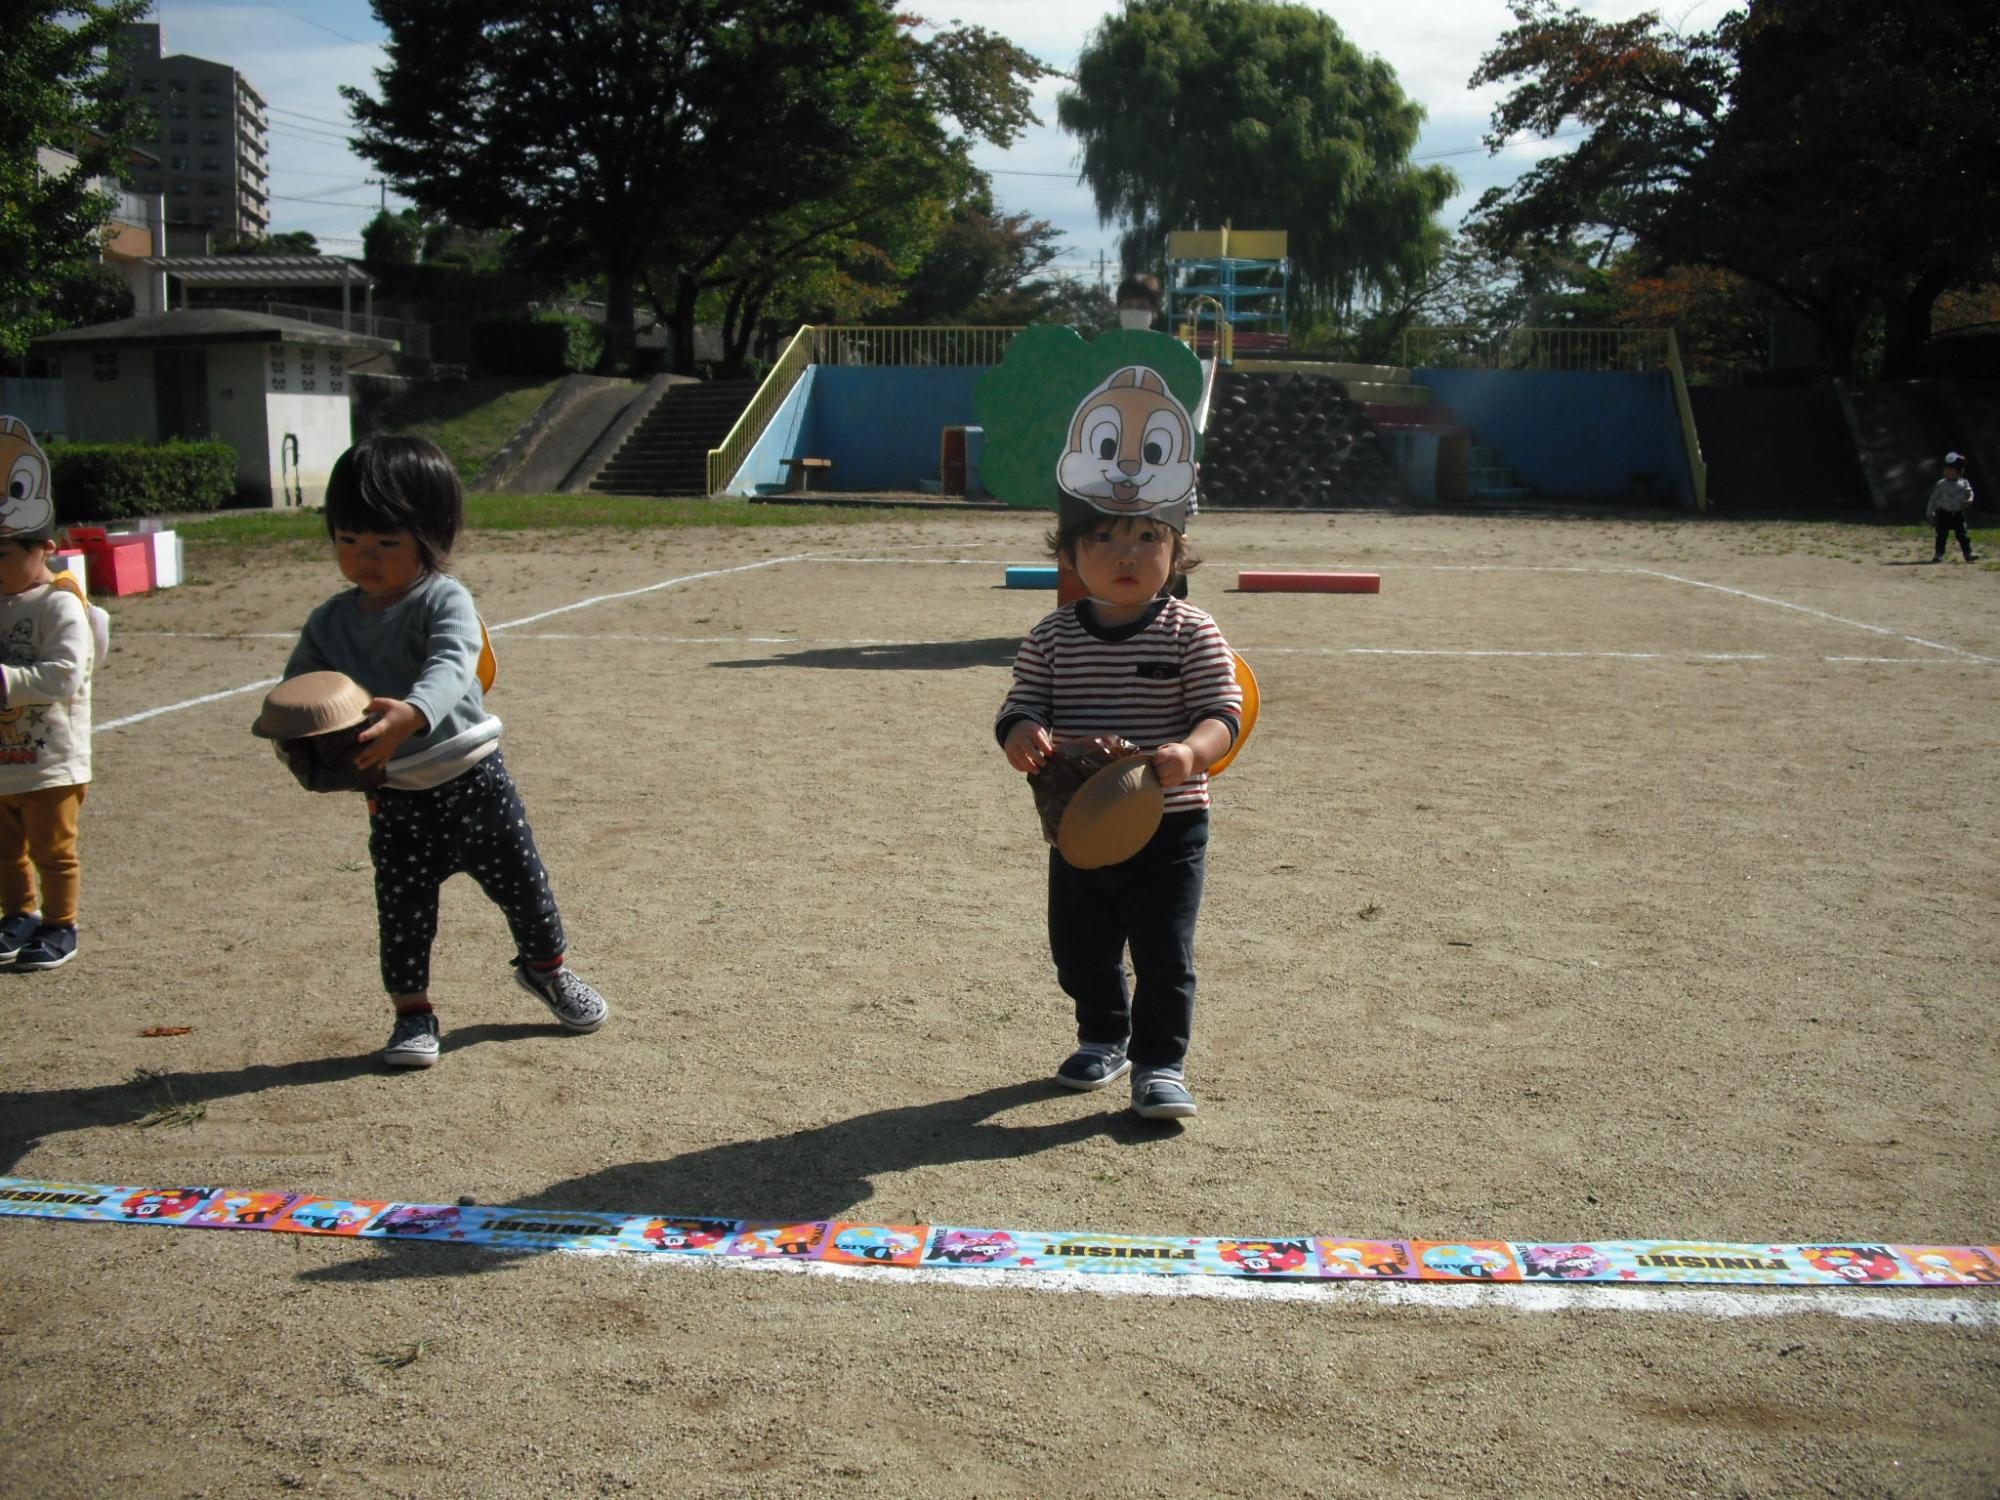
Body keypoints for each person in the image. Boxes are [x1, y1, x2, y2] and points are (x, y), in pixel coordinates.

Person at [282, 435, 609, 1068]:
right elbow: (302, 688)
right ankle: (413, 1014)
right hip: (396, 798)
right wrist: (294, 723)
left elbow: (454, 663)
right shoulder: (329, 623)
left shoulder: (443, 599)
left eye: (384, 545)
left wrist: (414, 713)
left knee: (528, 892)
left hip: (476, 781)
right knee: (403, 916)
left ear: (430, 539)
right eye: (348, 543)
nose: (363, 560)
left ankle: (546, 971)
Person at [996, 491, 1242, 1121]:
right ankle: (1106, 1037)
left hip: (1171, 821)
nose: (1126, 554)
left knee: (1164, 950)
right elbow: (1022, 702)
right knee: (1080, 946)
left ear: (1177, 553)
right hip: (1081, 824)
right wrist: (1020, 730)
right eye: (1105, 539)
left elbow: (1224, 713)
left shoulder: (1191, 630)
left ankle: (1161, 1064)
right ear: (1072, 557)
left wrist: (1192, 751)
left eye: (1147, 539)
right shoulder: (1052, 635)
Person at [0, 520, 94, 971]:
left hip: (51, 760)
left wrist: (5, 679)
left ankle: (61, 923)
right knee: (5, 850)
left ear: (45, 549)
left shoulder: (58, 604)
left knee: (54, 851)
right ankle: (18, 914)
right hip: (3, 760)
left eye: (4, 555)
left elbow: (64, 673)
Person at [1926, 451, 1978, 564]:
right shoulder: (1941, 484)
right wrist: (1930, 512)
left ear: (1959, 472)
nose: (1947, 472)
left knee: (1963, 535)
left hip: (1958, 513)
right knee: (1941, 536)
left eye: (1951, 470)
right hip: (1943, 513)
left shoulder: (1964, 483)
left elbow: (1970, 493)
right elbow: (1934, 498)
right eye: (1946, 469)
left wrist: (1970, 499)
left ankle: (1968, 553)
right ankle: (1939, 554)